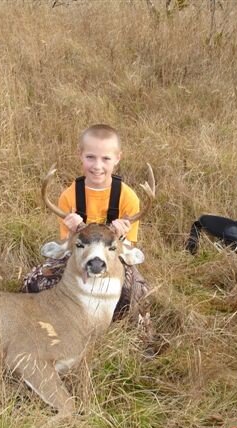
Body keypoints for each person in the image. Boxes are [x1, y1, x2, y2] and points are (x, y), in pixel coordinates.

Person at [22, 124, 151, 329]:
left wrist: (121, 235)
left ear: (117, 158)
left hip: (112, 258)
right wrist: (72, 231)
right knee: (33, 283)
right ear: (80, 155)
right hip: (80, 256)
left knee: (138, 294)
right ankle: (55, 325)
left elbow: (128, 247)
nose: (97, 166)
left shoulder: (128, 198)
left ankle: (126, 332)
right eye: (90, 157)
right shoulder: (69, 197)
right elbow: (68, 246)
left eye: (106, 158)